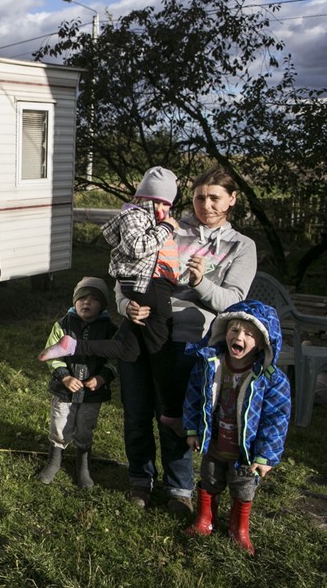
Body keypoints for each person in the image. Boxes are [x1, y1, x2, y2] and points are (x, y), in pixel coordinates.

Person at [117, 166, 257, 515]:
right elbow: (124, 274)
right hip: (139, 332)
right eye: (199, 198)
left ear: (232, 199)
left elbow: (233, 301)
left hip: (188, 340)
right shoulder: (169, 228)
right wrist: (123, 306)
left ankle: (178, 488)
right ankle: (140, 479)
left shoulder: (242, 246)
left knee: (175, 417)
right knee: (136, 410)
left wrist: (200, 283)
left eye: (214, 198)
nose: (206, 205)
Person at [40, 166, 183, 432]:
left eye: (168, 206)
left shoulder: (142, 217)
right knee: (162, 349)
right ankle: (172, 412)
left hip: (144, 286)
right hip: (149, 286)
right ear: (150, 199)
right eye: (162, 204)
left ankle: (73, 346)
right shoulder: (137, 216)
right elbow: (137, 247)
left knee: (127, 348)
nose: (166, 211)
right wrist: (165, 227)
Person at [182, 300, 290, 556]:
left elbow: (276, 419)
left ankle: (238, 528)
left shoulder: (271, 379)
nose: (239, 337)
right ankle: (205, 519)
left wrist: (265, 456)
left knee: (243, 487)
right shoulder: (210, 364)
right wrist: (192, 430)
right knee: (210, 479)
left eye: (249, 334)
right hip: (215, 442)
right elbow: (193, 397)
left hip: (246, 452)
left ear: (262, 343)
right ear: (223, 332)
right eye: (234, 330)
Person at [36, 277, 118, 488]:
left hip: (92, 391)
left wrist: (102, 377)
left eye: (93, 299)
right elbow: (52, 354)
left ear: (103, 304)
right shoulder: (63, 325)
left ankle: (83, 467)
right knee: (60, 422)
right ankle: (54, 461)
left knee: (85, 426)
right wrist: (64, 376)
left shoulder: (109, 330)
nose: (86, 302)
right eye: (82, 298)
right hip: (65, 389)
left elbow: (116, 359)